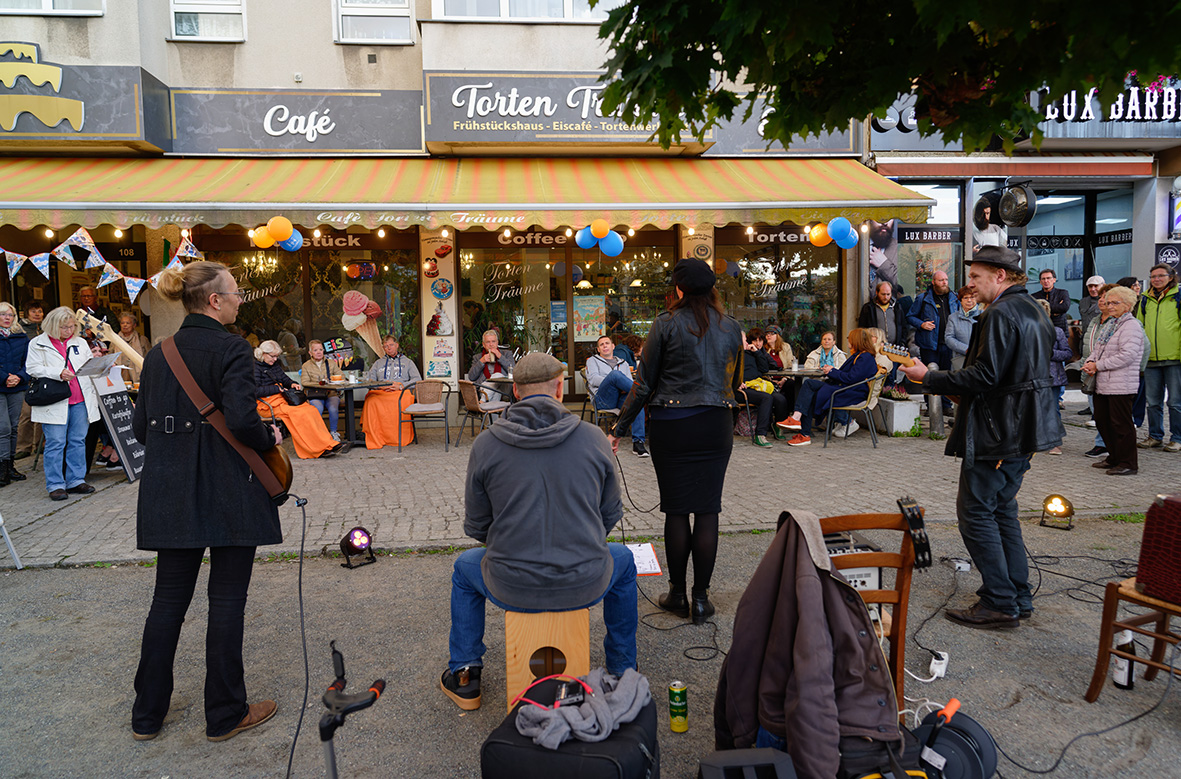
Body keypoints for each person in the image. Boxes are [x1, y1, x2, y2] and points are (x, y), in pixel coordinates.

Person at [130, 260, 280, 742]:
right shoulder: (234, 348)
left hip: (169, 493)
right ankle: (224, 713)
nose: (241, 299)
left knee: (167, 604)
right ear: (214, 300)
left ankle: (147, 716)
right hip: (229, 490)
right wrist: (268, 435)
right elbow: (240, 420)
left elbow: (138, 430)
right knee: (227, 601)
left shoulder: (158, 353)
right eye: (235, 292)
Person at [439, 353, 637, 711]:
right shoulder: (594, 439)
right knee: (623, 559)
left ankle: (465, 674)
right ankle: (622, 671)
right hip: (585, 578)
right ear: (560, 389)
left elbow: (477, 527)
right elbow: (609, 516)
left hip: (510, 582)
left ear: (515, 391)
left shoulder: (486, 444)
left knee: (464, 569)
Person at [900, 246, 1062, 630]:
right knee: (1002, 511)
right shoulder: (1032, 310)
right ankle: (1016, 597)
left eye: (975, 276)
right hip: (1020, 429)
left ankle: (1000, 602)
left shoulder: (1002, 313)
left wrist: (930, 378)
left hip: (1000, 432)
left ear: (1000, 276)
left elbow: (986, 376)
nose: (968, 284)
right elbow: (1007, 375)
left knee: (976, 513)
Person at [610, 258, 743, 623]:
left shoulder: (665, 323)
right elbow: (735, 382)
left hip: (673, 423)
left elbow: (643, 383)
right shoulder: (731, 327)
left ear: (679, 289)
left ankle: (677, 593)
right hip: (716, 422)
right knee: (708, 509)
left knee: (676, 509)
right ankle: (701, 599)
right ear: (712, 288)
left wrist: (618, 429)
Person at [25, 306, 99, 500]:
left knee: (77, 440)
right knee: (56, 442)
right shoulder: (37, 343)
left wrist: (98, 361)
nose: (69, 331)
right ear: (53, 325)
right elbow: (32, 368)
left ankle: (76, 480)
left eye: (72, 326)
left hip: (80, 399)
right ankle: (56, 484)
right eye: (65, 327)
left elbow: (88, 366)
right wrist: (56, 373)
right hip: (55, 399)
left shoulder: (80, 342)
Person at [778, 328, 882, 445]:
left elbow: (851, 378)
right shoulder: (860, 355)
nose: (848, 340)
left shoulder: (865, 357)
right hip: (846, 388)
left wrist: (832, 371)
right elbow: (850, 376)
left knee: (810, 395)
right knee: (809, 385)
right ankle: (798, 420)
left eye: (850, 338)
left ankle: (803, 432)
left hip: (852, 392)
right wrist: (831, 371)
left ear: (857, 341)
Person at [1084, 285, 1147, 476]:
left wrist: (1099, 365)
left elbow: (1127, 355)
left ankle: (1128, 462)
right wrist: (1090, 361)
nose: (1109, 306)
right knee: (1103, 422)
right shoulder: (1112, 323)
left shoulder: (1132, 326)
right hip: (1103, 383)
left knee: (1121, 424)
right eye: (1108, 302)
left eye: (1114, 303)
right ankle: (1113, 456)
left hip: (1121, 384)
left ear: (1127, 305)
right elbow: (1097, 347)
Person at [254, 340, 341, 459]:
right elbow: (254, 391)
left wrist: (293, 384)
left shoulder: (274, 365)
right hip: (267, 405)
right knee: (299, 413)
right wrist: (276, 389)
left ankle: (327, 443)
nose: (275, 359)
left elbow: (285, 379)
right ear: (262, 353)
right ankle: (314, 449)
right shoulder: (254, 368)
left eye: (276, 356)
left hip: (282, 400)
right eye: (272, 356)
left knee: (311, 410)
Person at [1135, 263, 1181, 452]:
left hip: (1174, 358)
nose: (1156, 279)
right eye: (1153, 276)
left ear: (1171, 277)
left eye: (1161, 276)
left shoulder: (1178, 297)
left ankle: (1177, 437)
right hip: (1151, 359)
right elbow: (1138, 328)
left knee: (1175, 402)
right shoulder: (1145, 299)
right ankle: (1155, 436)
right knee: (1153, 402)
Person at [586, 334, 648, 456]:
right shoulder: (592, 360)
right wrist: (614, 381)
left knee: (637, 401)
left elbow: (629, 382)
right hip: (603, 398)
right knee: (615, 376)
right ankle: (646, 394)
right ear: (598, 349)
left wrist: (620, 384)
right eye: (601, 345)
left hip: (620, 397)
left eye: (607, 343)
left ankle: (638, 443)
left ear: (613, 346)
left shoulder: (623, 363)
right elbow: (593, 380)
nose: (604, 346)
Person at [360, 334, 420, 449]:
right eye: (386, 346)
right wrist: (379, 386)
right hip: (382, 392)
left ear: (397, 345)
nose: (389, 348)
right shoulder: (378, 363)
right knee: (370, 400)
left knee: (402, 401)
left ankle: (398, 437)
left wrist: (401, 386)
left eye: (391, 345)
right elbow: (370, 380)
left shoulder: (408, 362)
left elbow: (417, 379)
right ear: (383, 348)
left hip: (400, 392)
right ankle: (375, 436)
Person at [907, 271, 959, 402]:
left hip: (949, 344)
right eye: (941, 280)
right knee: (930, 375)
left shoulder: (954, 298)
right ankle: (931, 406)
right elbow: (910, 316)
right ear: (933, 282)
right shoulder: (923, 298)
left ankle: (946, 405)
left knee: (947, 375)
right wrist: (921, 324)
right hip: (929, 345)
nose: (945, 282)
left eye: (946, 279)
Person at [738, 327, 786, 446]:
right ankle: (760, 435)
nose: (747, 343)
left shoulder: (753, 353)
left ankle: (777, 425)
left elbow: (765, 368)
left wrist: (757, 353)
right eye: (745, 340)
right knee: (766, 398)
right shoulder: (734, 355)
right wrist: (736, 382)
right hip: (741, 389)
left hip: (757, 385)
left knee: (780, 399)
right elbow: (726, 372)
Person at [1036, 298, 1072, 455]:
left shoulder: (1056, 331)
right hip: (1033, 377)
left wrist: (1051, 353)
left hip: (1053, 378)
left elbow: (1067, 353)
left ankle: (1055, 442)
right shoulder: (1027, 331)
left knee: (1052, 410)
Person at [0, 302, 30, 487]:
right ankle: (2, 468)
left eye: (10, 314)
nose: (6, 317)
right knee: (2, 428)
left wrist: (19, 377)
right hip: (0, 387)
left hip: (17, 387)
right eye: (3, 314)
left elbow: (29, 362)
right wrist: (5, 378)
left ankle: (11, 465)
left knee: (13, 427)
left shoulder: (21, 337)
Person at [14, 302, 45, 460]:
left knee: (42, 411)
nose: (37, 314)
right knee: (26, 413)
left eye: (40, 311)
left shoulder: (44, 329)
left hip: (43, 374)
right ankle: (23, 446)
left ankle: (39, 444)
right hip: (27, 375)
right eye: (34, 311)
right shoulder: (20, 330)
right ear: (26, 313)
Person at [301, 339, 342, 441]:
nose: (318, 352)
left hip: (331, 393)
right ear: (310, 353)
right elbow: (304, 382)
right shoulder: (306, 365)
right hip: (315, 394)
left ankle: (333, 432)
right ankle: (318, 434)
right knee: (317, 408)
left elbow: (341, 375)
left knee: (333, 408)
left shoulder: (331, 363)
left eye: (320, 349)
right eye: (315, 350)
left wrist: (331, 380)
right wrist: (319, 384)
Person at [466, 329, 515, 401]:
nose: (491, 344)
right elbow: (471, 377)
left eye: (493, 341)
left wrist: (500, 357)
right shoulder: (478, 357)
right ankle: (492, 412)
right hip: (485, 389)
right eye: (488, 342)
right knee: (496, 391)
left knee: (497, 375)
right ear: (483, 344)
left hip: (504, 388)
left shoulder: (506, 354)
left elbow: (514, 371)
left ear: (497, 342)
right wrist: (482, 361)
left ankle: (483, 400)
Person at [945, 286, 979, 371]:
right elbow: (949, 338)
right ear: (960, 301)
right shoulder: (953, 318)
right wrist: (966, 349)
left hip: (979, 359)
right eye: (965, 298)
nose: (969, 300)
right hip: (960, 360)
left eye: (972, 297)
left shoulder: (984, 315)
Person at [114, 311, 149, 386]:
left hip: (138, 378)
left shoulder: (142, 340)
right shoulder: (115, 340)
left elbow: (149, 359)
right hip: (121, 378)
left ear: (134, 325)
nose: (125, 325)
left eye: (128, 323)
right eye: (122, 323)